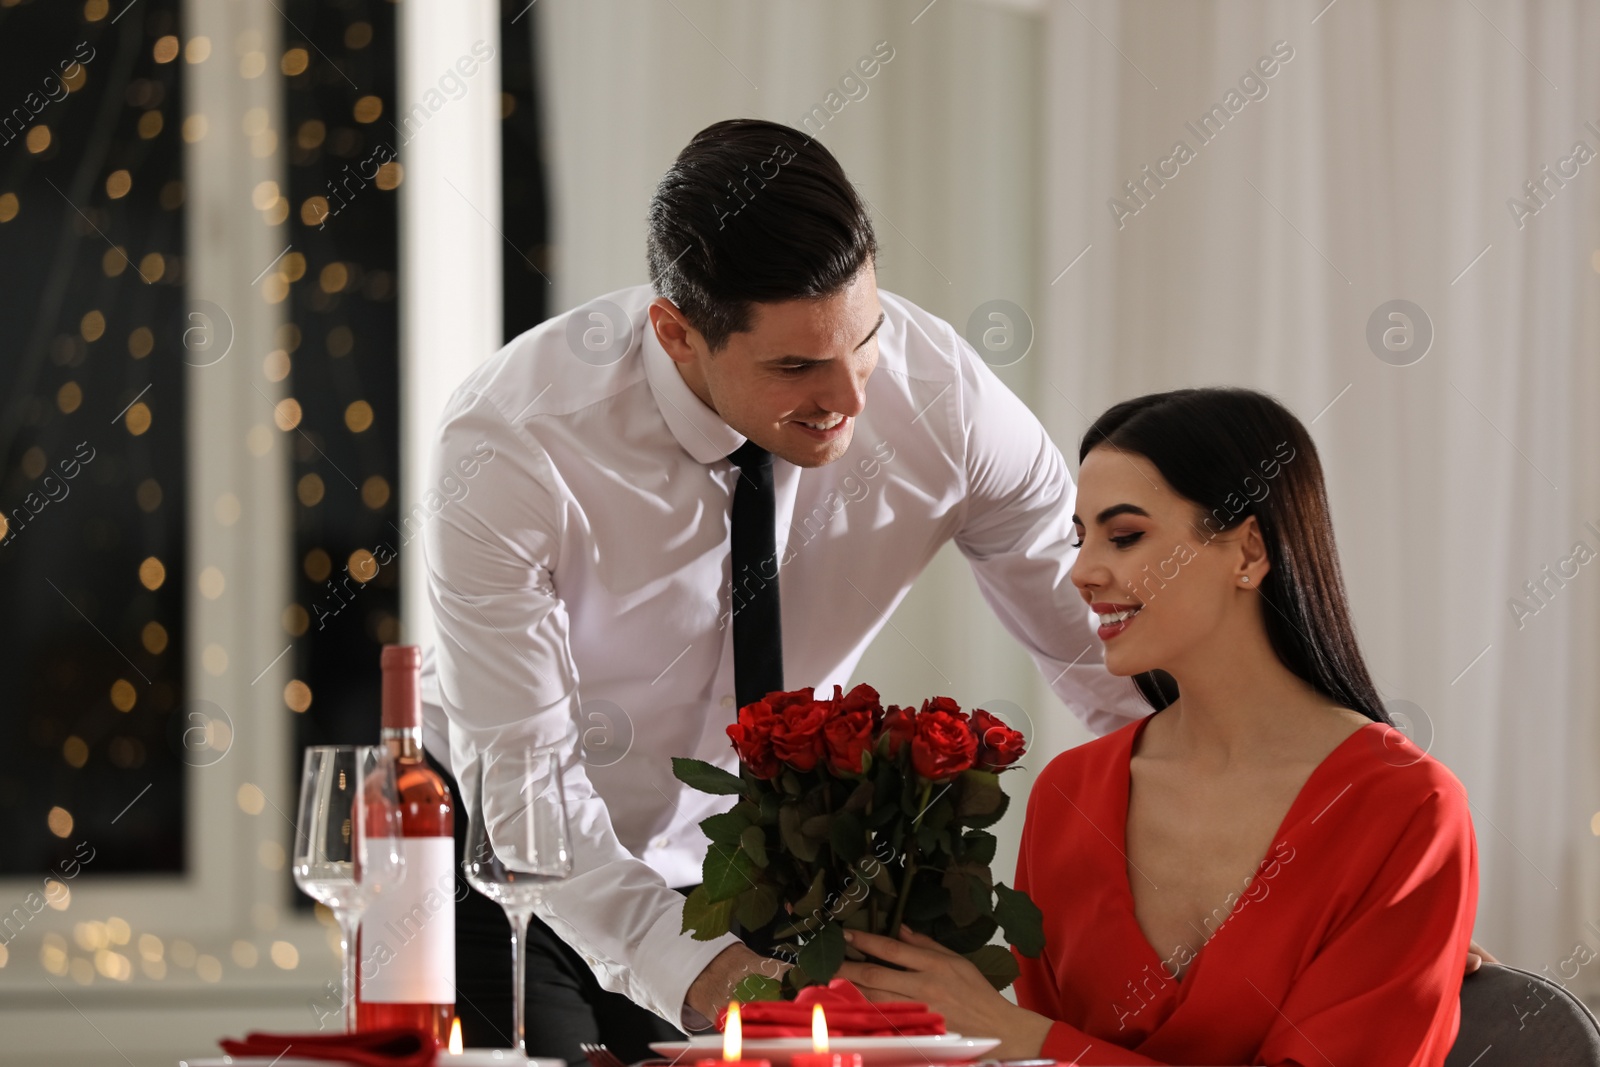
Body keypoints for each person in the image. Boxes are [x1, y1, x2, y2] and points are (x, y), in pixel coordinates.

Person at [418, 118, 1151, 1061]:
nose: (848, 397)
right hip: (493, 861)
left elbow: (1099, 641)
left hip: (731, 868)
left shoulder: (942, 400)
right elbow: (526, 788)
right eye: (795, 367)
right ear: (677, 334)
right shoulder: (512, 444)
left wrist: (1246, 794)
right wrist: (695, 971)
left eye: (866, 340)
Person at [837, 388, 1481, 1067]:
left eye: (1124, 535)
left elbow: (1038, 1047)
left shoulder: (1407, 809)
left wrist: (1028, 1038)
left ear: (1249, 550)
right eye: (1078, 538)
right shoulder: (1069, 796)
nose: (1082, 572)